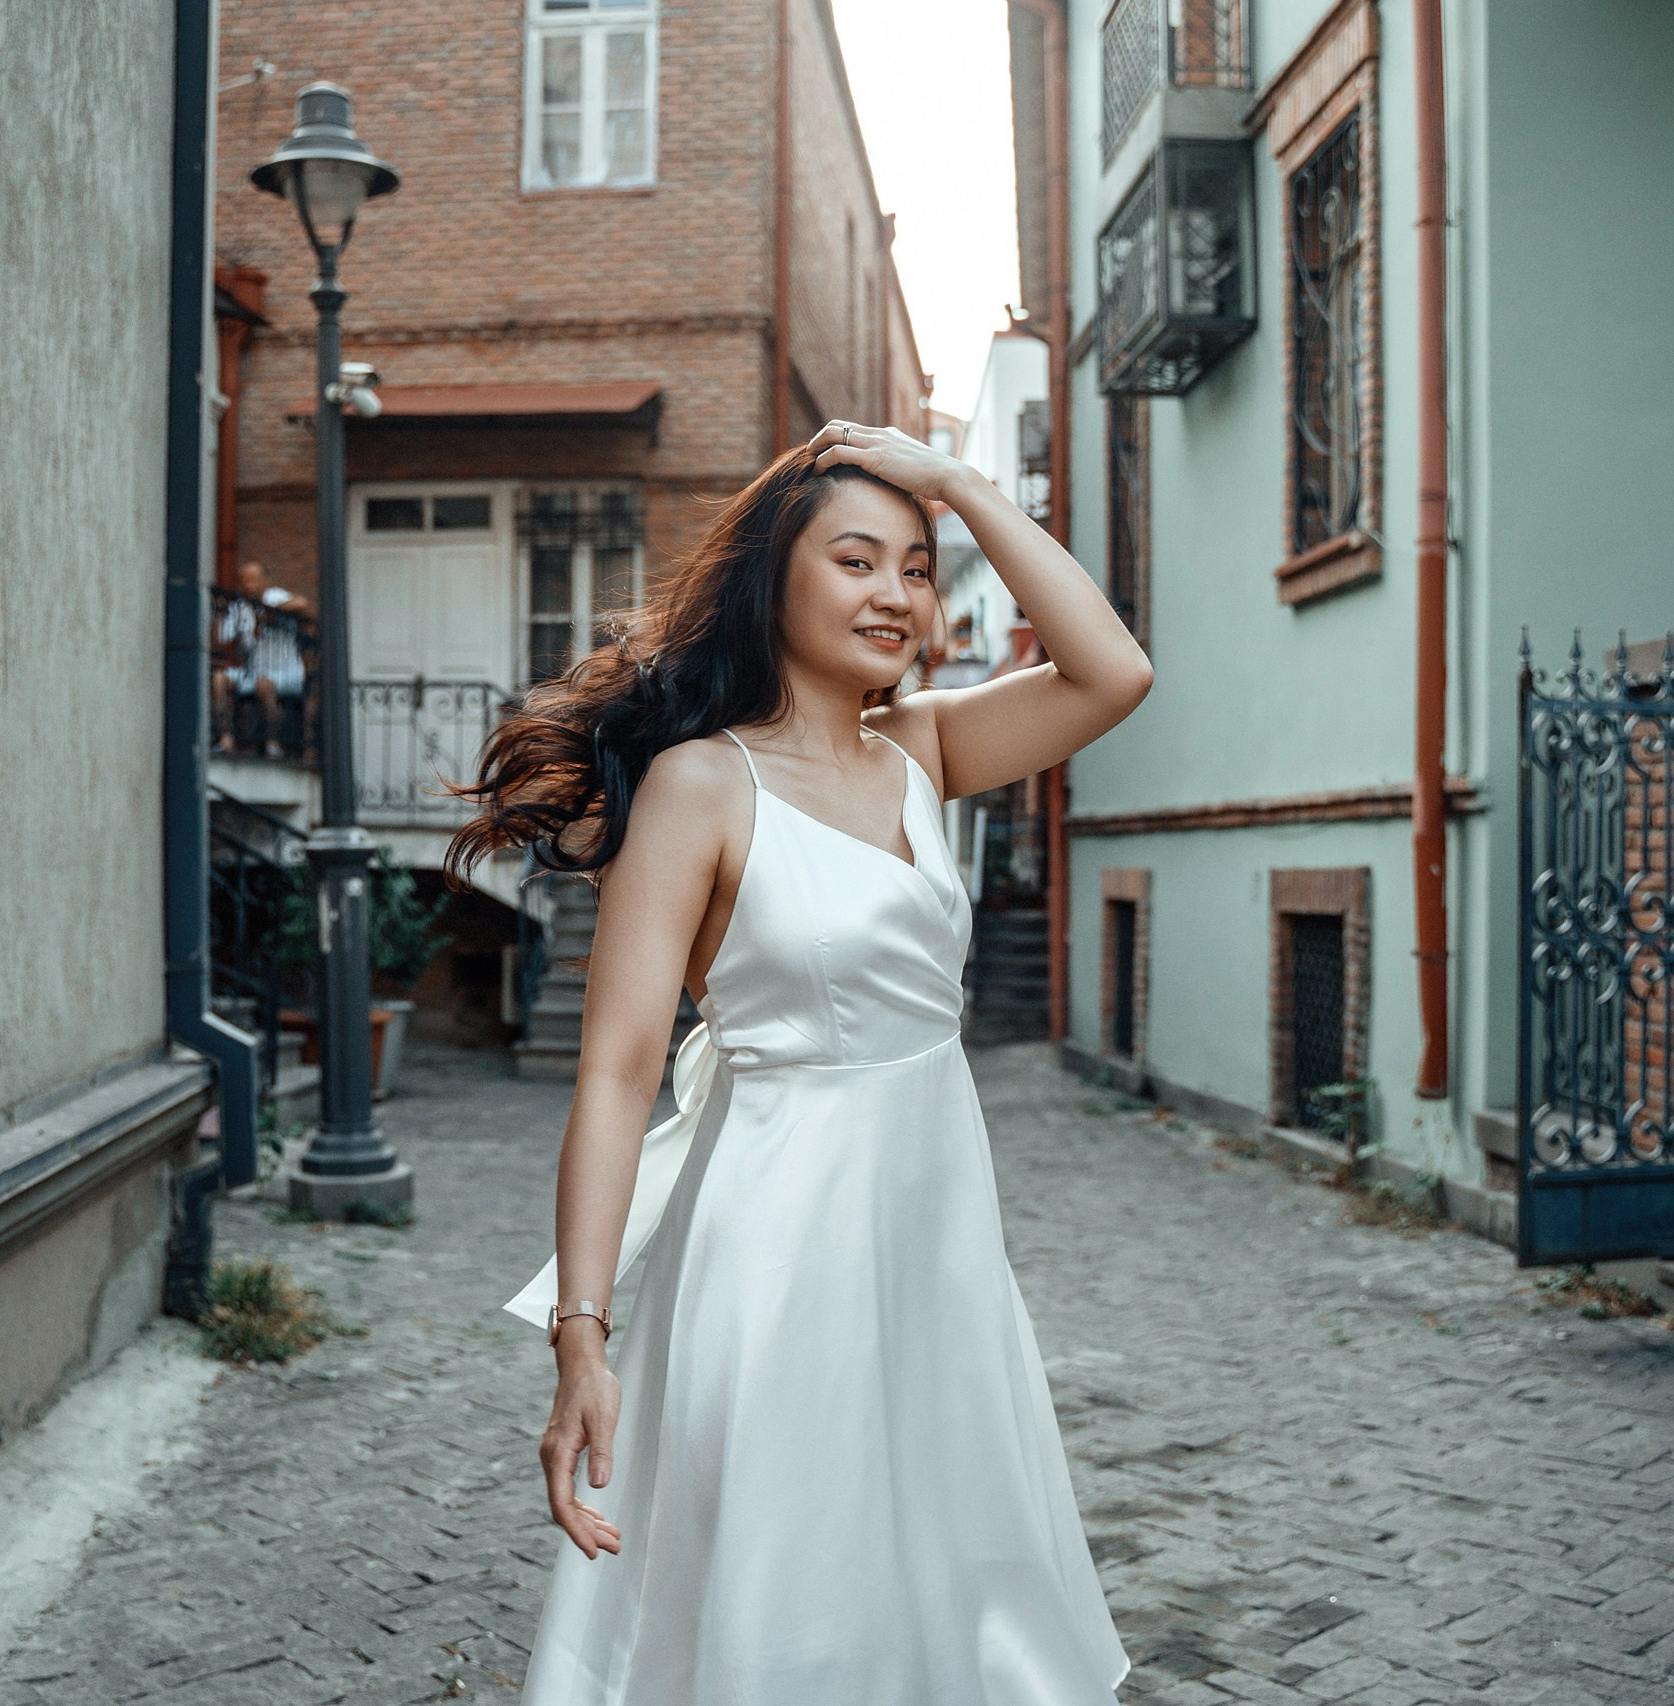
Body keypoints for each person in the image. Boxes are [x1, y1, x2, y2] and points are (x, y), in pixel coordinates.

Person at [448, 421, 1153, 1703]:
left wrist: (955, 482)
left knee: (939, 1580)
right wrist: (581, 1339)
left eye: (918, 566)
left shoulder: (924, 753)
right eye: (855, 559)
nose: (893, 592)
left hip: (936, 1249)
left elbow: (1112, 673)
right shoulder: (699, 787)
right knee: (787, 1585)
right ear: (776, 577)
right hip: (773, 1255)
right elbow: (615, 1075)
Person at [212, 560, 313, 757]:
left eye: (254, 580)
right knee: (219, 679)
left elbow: (302, 602)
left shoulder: (275, 596)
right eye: (244, 581)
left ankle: (272, 743)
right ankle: (226, 738)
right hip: (255, 672)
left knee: (263, 684)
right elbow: (221, 638)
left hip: (287, 672)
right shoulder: (240, 607)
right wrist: (221, 613)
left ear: (265, 581)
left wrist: (268, 612)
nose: (249, 585)